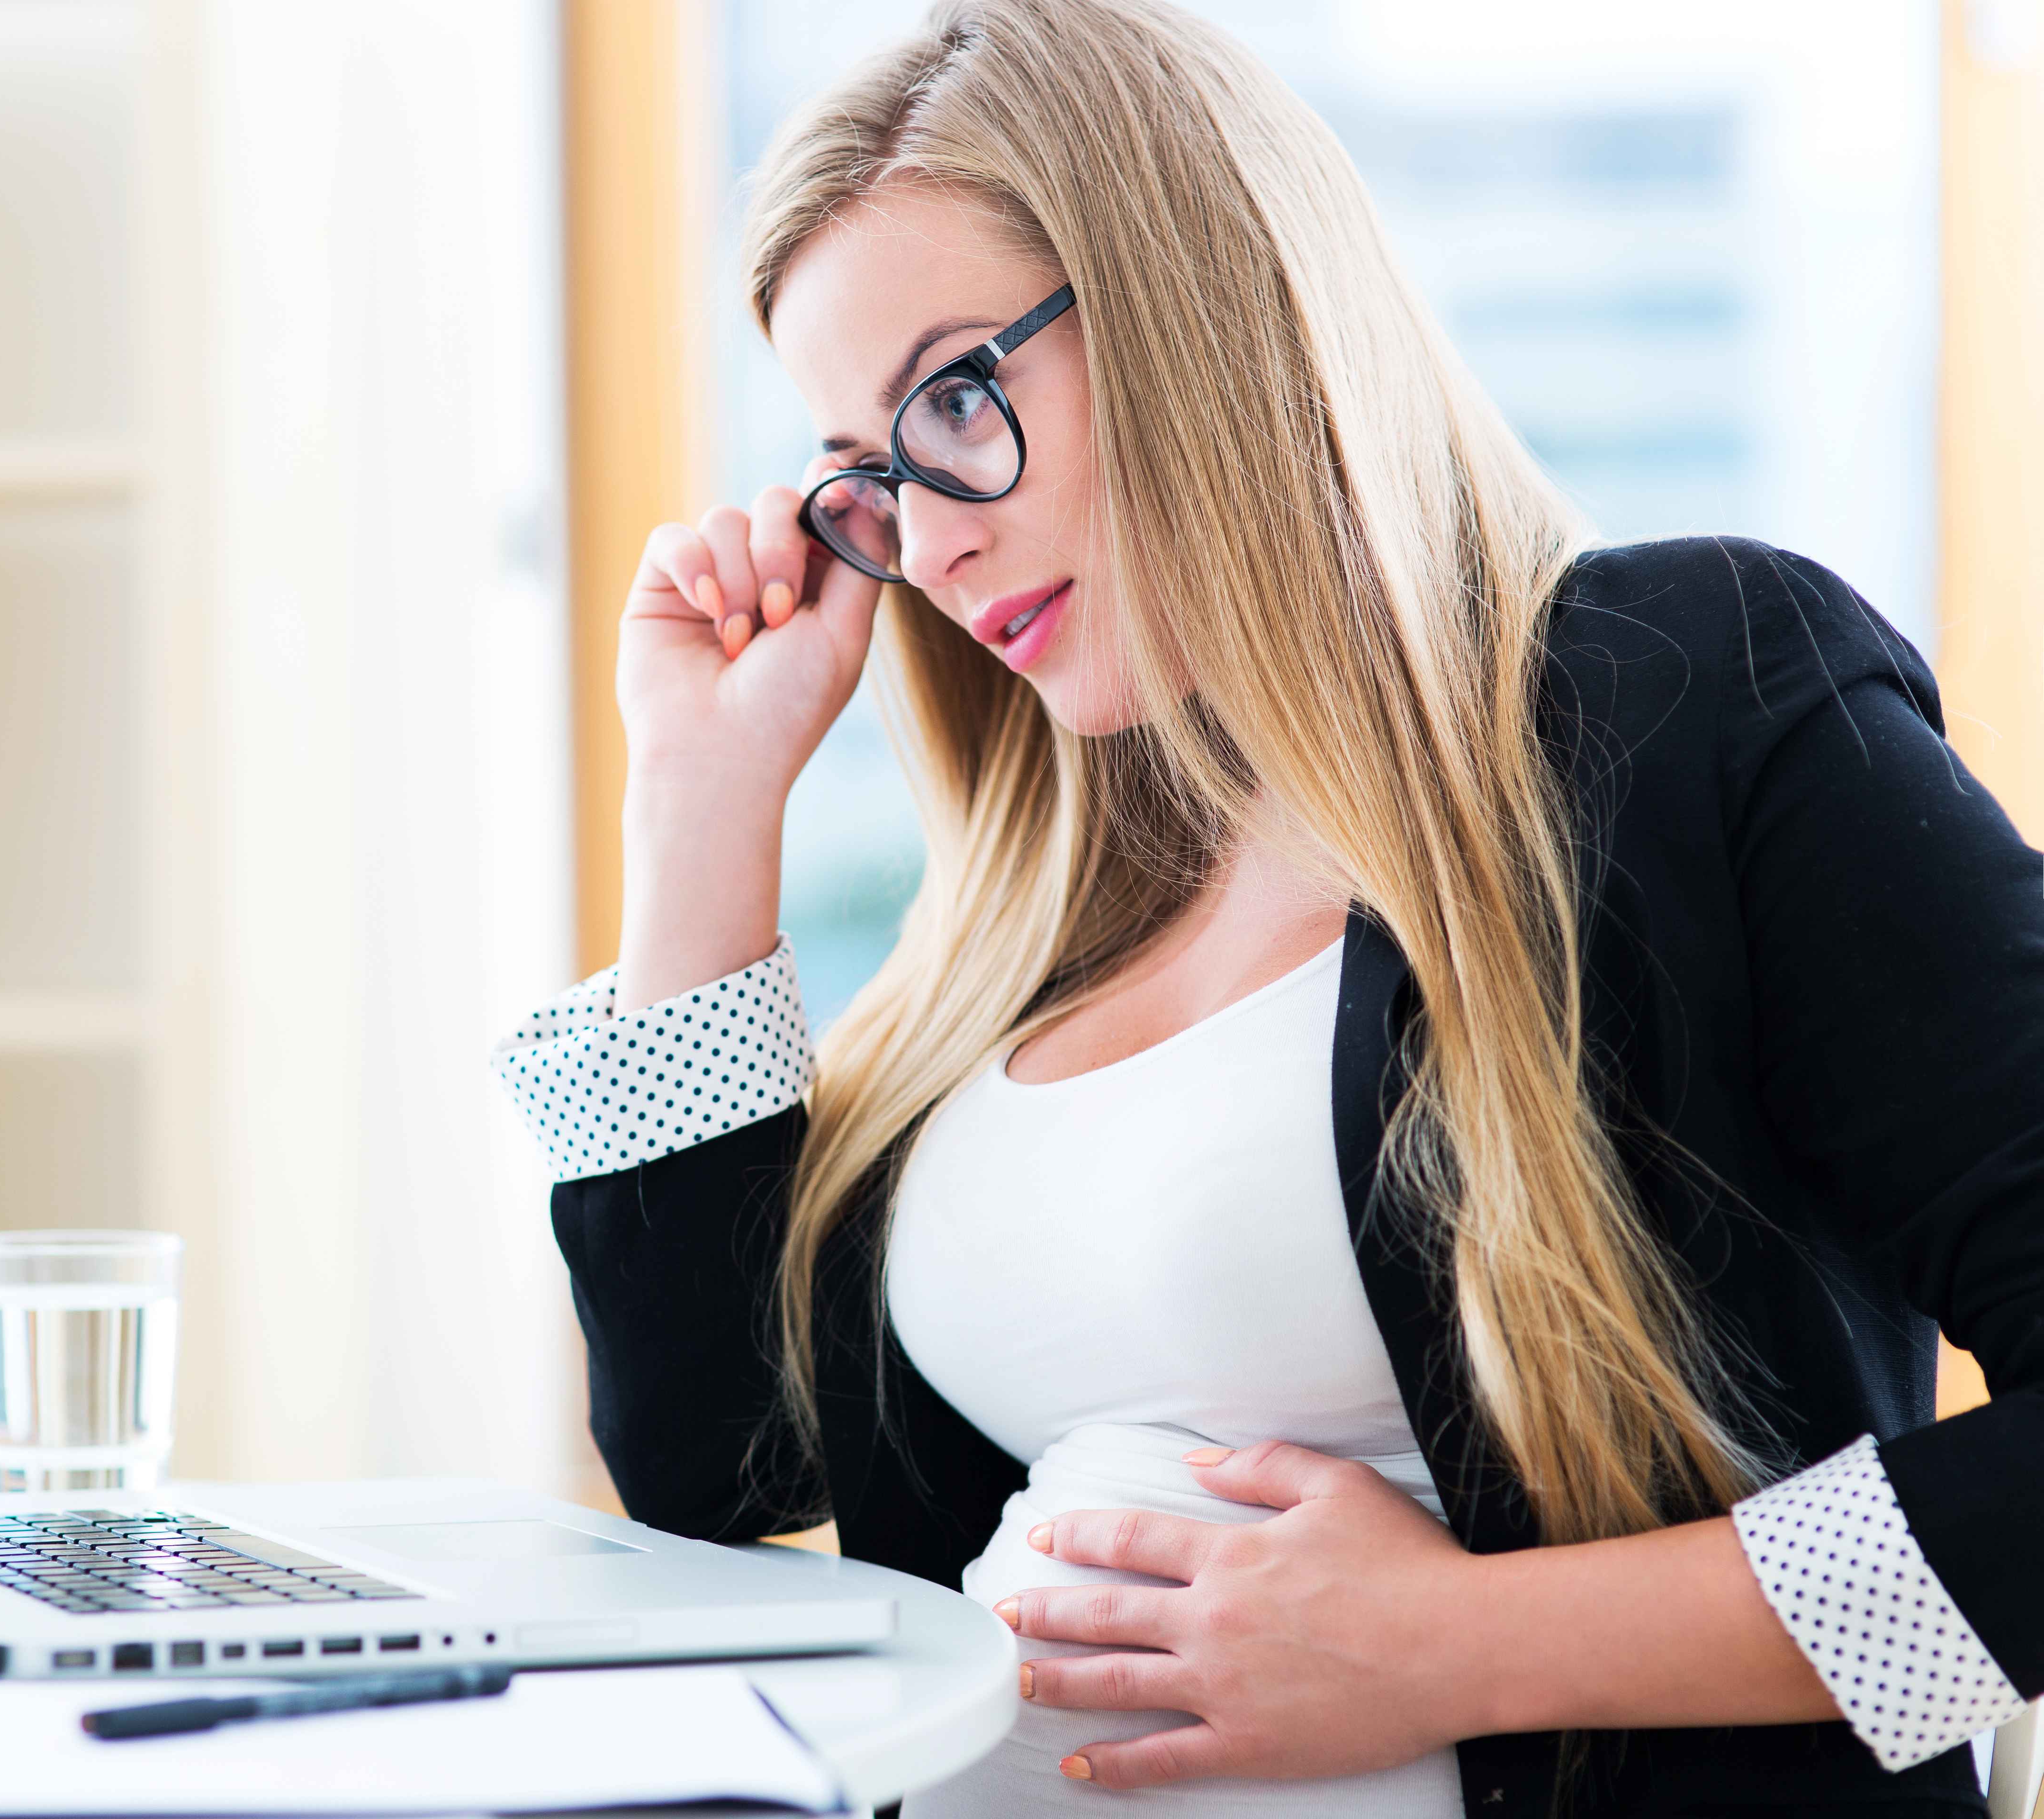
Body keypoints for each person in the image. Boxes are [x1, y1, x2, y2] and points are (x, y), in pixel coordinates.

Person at [495, 3, 2040, 1813]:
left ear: (1199, 294)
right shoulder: (1042, 918)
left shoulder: (1689, 703)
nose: (927, 545)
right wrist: (698, 810)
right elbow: (703, 1465)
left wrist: (1461, 1647)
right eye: (871, 480)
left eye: (956, 402)